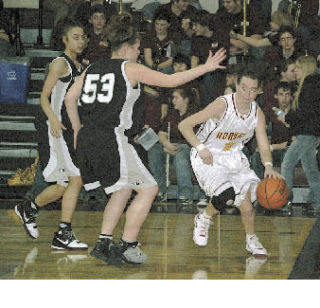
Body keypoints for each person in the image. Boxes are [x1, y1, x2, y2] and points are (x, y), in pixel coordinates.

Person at [64, 14, 226, 265]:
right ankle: (128, 245)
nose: (139, 52)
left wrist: (76, 129)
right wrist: (206, 67)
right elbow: (171, 80)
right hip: (111, 138)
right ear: (127, 47)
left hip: (87, 138)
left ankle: (104, 242)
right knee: (149, 188)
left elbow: (68, 99)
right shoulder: (130, 68)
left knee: (122, 190)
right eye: (138, 48)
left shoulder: (91, 68)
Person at [178, 68, 282, 257]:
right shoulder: (221, 105)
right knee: (226, 196)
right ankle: (204, 218)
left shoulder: (257, 114)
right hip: (207, 154)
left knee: (248, 208)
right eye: (243, 88)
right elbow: (184, 126)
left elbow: (264, 144)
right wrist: (201, 148)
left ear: (259, 91)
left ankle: (251, 239)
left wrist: (268, 166)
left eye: (252, 90)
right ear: (236, 85)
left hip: (233, 156)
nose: (247, 94)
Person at [14, 20, 88, 250]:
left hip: (67, 129)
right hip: (54, 128)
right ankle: (62, 233)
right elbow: (43, 96)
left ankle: (30, 208)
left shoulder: (79, 65)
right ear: (64, 39)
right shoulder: (60, 64)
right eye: (76, 37)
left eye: (84, 37)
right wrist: (54, 119)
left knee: (64, 184)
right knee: (75, 179)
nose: (81, 41)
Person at [148, 86, 205, 213]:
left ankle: (186, 194)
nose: (173, 101)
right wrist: (166, 144)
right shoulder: (172, 113)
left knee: (180, 155)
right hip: (171, 145)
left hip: (188, 147)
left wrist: (176, 147)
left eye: (176, 98)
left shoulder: (196, 114)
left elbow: (196, 139)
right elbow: (161, 133)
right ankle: (160, 190)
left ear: (186, 100)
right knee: (154, 150)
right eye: (172, 98)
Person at [280, 55, 320, 213]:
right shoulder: (312, 84)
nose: (295, 71)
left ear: (305, 67)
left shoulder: (310, 85)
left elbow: (305, 112)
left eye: (297, 67)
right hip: (310, 132)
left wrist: (288, 117)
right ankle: (318, 202)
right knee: (310, 168)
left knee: (287, 164)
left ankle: (285, 201)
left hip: (307, 132)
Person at [251, 82, 293, 180]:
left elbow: (296, 141)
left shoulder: (296, 113)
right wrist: (263, 146)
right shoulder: (272, 111)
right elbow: (260, 130)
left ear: (291, 96)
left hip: (289, 149)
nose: (284, 98)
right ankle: (264, 185)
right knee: (257, 156)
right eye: (281, 94)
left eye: (287, 95)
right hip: (275, 150)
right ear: (276, 96)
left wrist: (271, 147)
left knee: (288, 156)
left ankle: (285, 190)